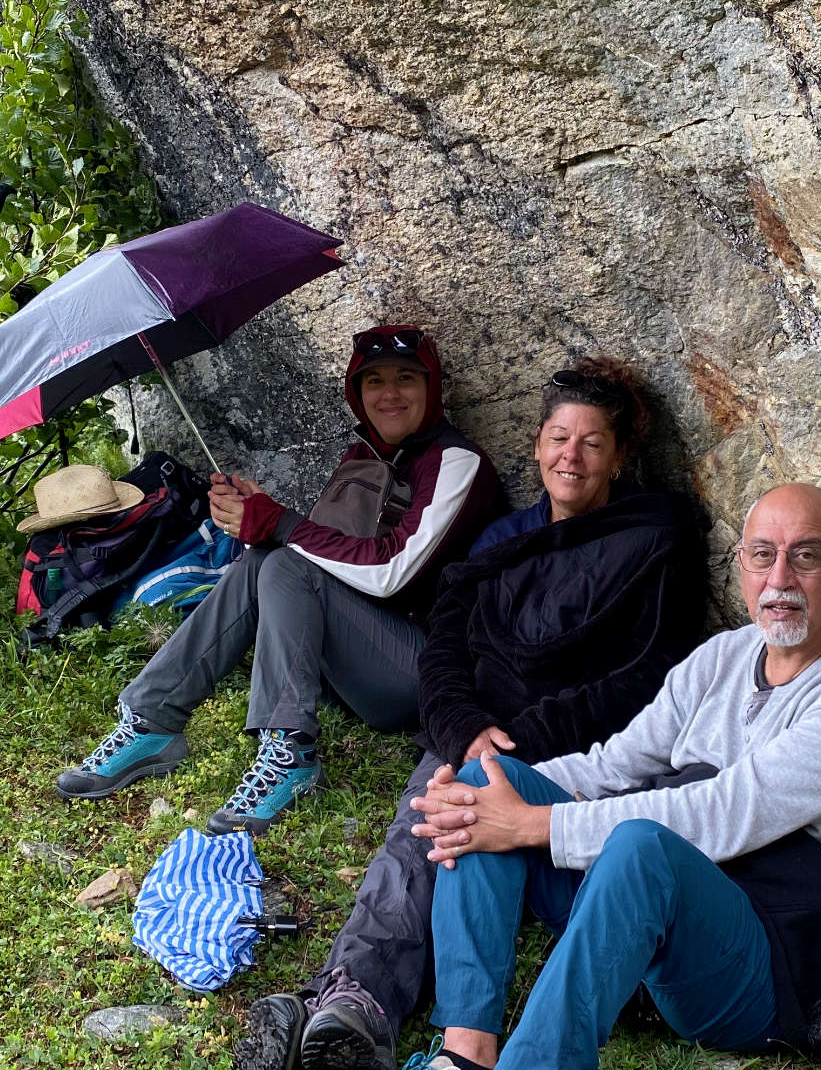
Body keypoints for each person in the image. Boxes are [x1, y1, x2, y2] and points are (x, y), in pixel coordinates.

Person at [342, 481, 821, 1070]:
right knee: (501, 781)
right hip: (654, 905)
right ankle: (463, 1061)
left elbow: (718, 814)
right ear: (738, 566)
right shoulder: (720, 660)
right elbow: (615, 765)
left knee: (637, 847)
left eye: (805, 558)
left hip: (772, 962)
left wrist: (532, 827)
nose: (779, 581)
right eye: (762, 556)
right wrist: (494, 799)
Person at [234, 357, 709, 1070]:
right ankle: (346, 1005)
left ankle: (354, 998)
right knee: (433, 808)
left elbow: (652, 671)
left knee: (435, 817)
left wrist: (517, 736)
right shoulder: (502, 540)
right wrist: (462, 727)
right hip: (479, 732)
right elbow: (446, 646)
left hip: (570, 747)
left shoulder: (654, 537)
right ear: (536, 444)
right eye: (557, 437)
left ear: (620, 456)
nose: (570, 457)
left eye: (591, 443)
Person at [55, 326, 502, 836]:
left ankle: (289, 752)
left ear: (433, 387)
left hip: (419, 672)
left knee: (285, 557)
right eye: (373, 381)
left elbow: (391, 573)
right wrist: (253, 521)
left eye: (406, 378)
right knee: (266, 559)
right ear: (357, 394)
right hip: (349, 662)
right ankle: (152, 720)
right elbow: (316, 558)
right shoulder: (364, 458)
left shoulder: (457, 462)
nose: (390, 394)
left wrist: (280, 524)